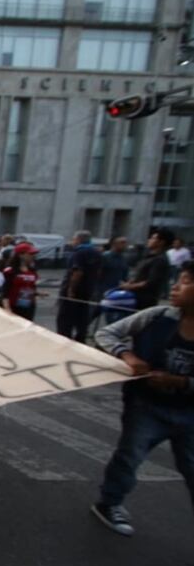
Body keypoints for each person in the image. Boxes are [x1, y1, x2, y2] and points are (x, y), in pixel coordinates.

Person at [91, 260, 194, 537]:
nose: (175, 287)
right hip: (146, 406)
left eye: (184, 281)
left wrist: (182, 382)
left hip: (189, 412)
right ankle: (110, 503)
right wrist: (128, 355)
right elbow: (105, 333)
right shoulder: (158, 317)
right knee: (129, 456)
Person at [56, 230, 102, 343]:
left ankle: (64, 340)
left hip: (75, 290)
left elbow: (77, 272)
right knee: (82, 317)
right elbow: (99, 272)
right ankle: (80, 339)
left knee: (65, 319)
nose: (72, 241)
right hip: (88, 290)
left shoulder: (79, 253)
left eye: (73, 239)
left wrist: (71, 289)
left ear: (78, 239)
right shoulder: (97, 253)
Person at [121, 229, 174, 311]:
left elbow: (151, 282)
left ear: (161, 242)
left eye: (153, 238)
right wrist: (131, 282)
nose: (149, 240)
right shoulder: (148, 256)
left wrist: (130, 286)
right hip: (135, 296)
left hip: (144, 300)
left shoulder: (160, 260)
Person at [2, 242, 41, 321]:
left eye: (33, 254)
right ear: (21, 255)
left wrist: (37, 293)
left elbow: (32, 287)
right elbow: (5, 292)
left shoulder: (32, 271)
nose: (33, 256)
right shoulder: (10, 271)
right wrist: (7, 309)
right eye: (30, 254)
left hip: (29, 307)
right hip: (14, 307)